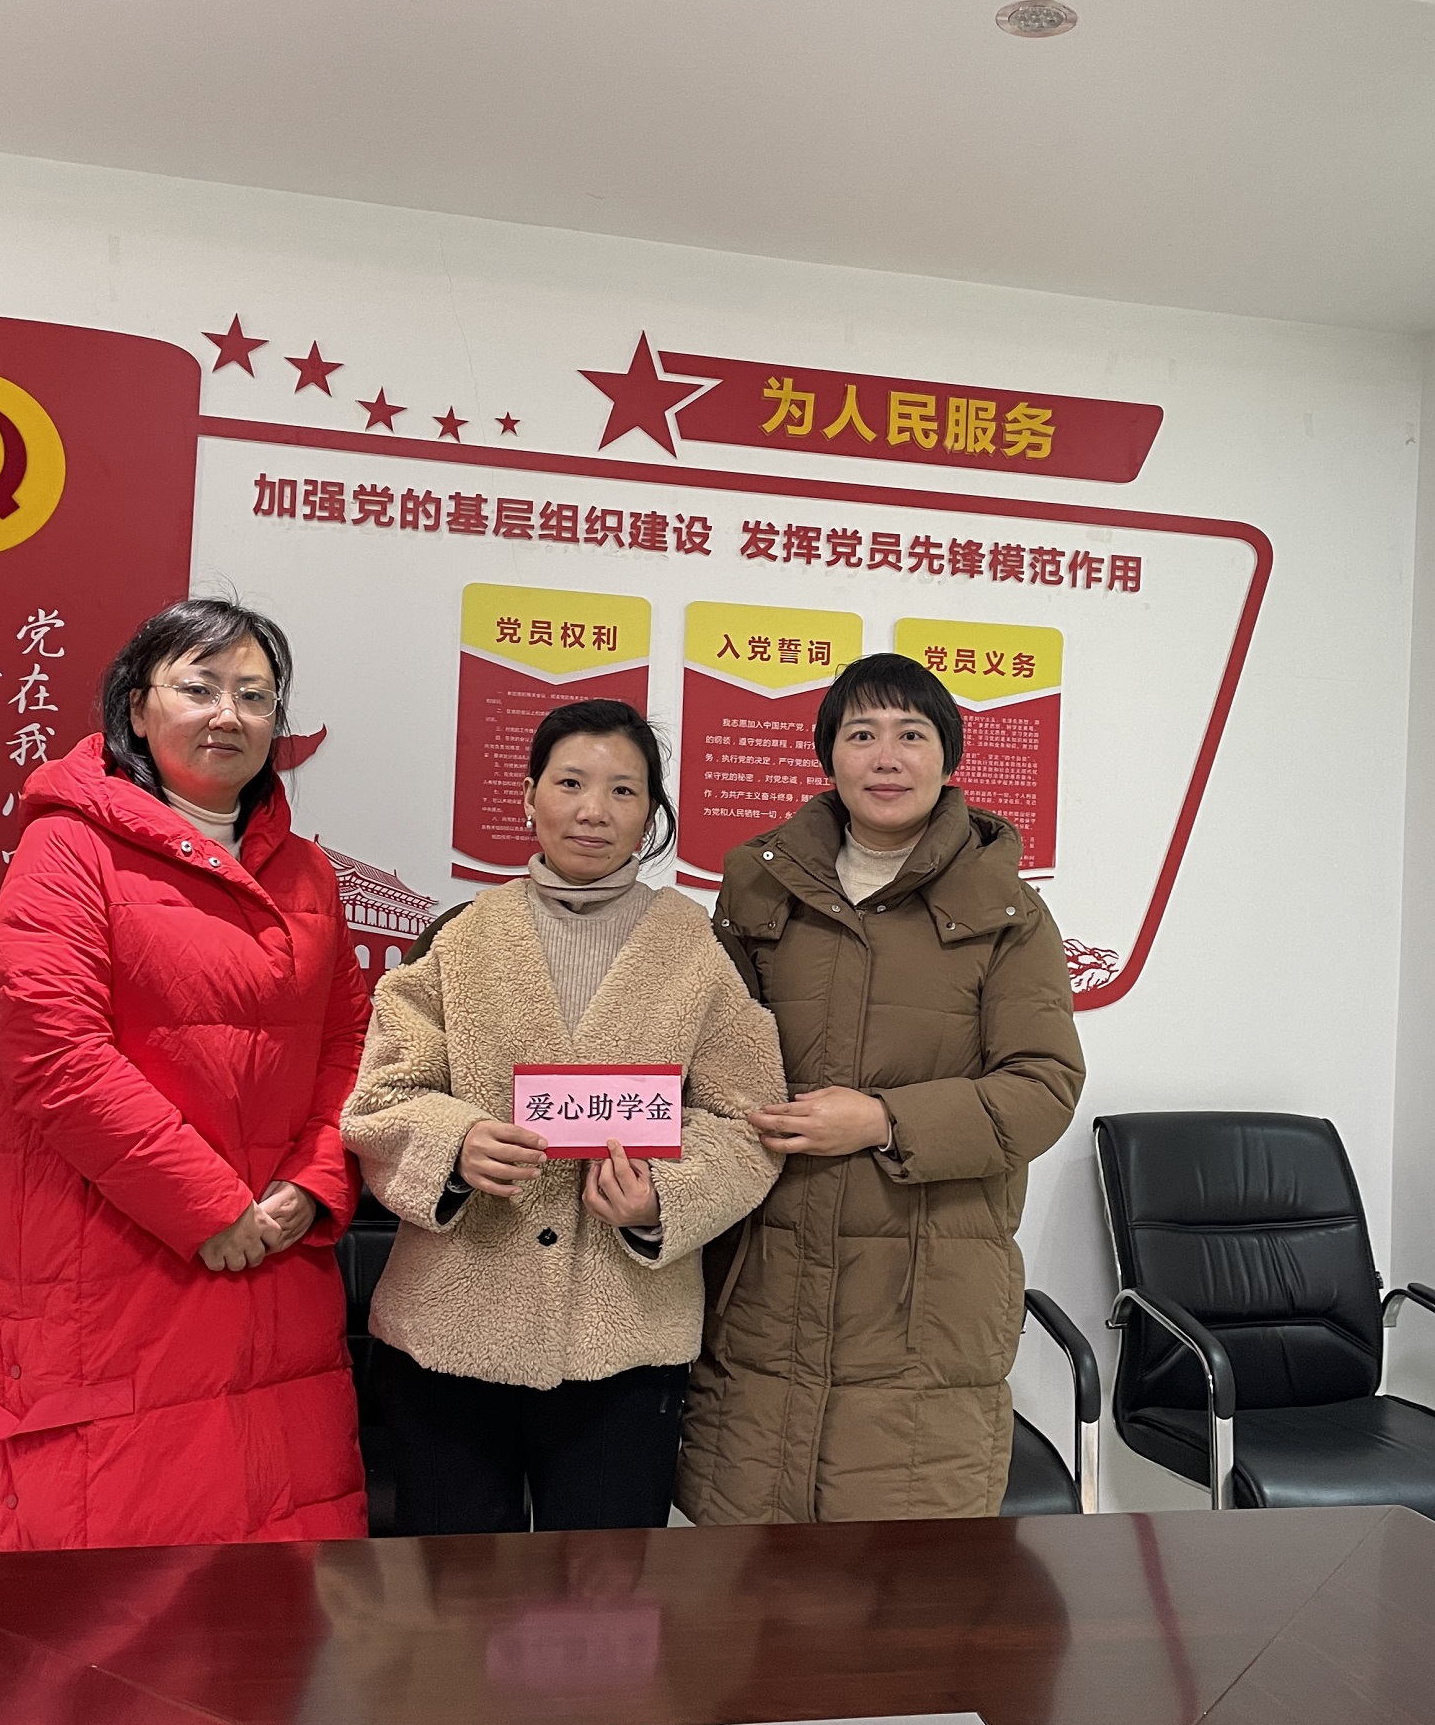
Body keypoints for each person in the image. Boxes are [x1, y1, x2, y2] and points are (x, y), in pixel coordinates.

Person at [0, 597, 371, 1551]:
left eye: (255, 695)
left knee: (277, 1598)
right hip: (118, 1278)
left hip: (277, 1269)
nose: (229, 713)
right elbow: (54, 1050)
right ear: (137, 708)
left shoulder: (309, 875)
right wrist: (208, 1207)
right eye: (200, 687)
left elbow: (351, 1043)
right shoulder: (70, 844)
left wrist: (315, 1182)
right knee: (116, 1604)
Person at [342, 699, 785, 1535]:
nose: (594, 810)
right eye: (571, 782)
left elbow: (746, 1119)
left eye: (623, 791)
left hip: (627, 1343)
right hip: (451, 1331)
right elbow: (382, 1097)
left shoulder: (700, 949)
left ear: (651, 814)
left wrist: (663, 1196)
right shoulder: (458, 937)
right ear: (528, 796)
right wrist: (453, 1144)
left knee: (606, 1596)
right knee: (454, 1592)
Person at [677, 653, 1087, 1524]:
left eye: (912, 734)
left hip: (922, 1297)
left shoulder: (1006, 910)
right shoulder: (756, 886)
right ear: (830, 756)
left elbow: (1043, 1085)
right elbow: (708, 1061)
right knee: (747, 1575)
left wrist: (884, 1119)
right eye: (861, 734)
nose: (886, 756)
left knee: (899, 1578)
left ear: (949, 758)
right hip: (765, 1281)